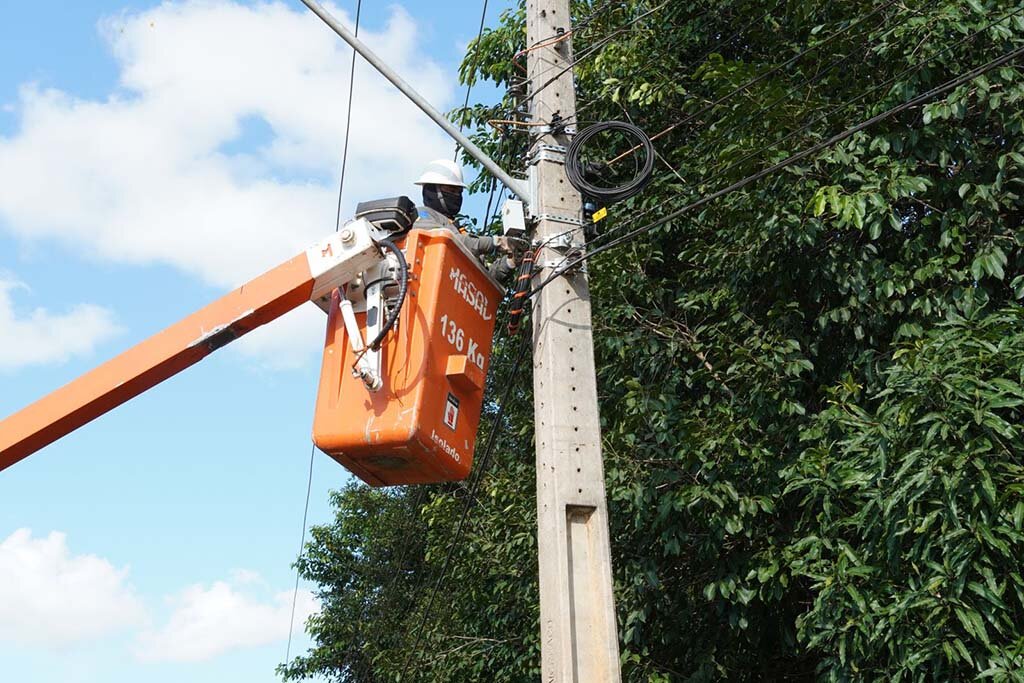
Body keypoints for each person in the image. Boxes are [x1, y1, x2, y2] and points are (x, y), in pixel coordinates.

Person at [413, 159, 515, 280]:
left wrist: (510, 262)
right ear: (432, 190)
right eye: (451, 190)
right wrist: (497, 242)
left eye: (459, 191)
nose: (457, 195)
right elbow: (453, 242)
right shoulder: (422, 215)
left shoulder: (457, 228)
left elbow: (484, 279)